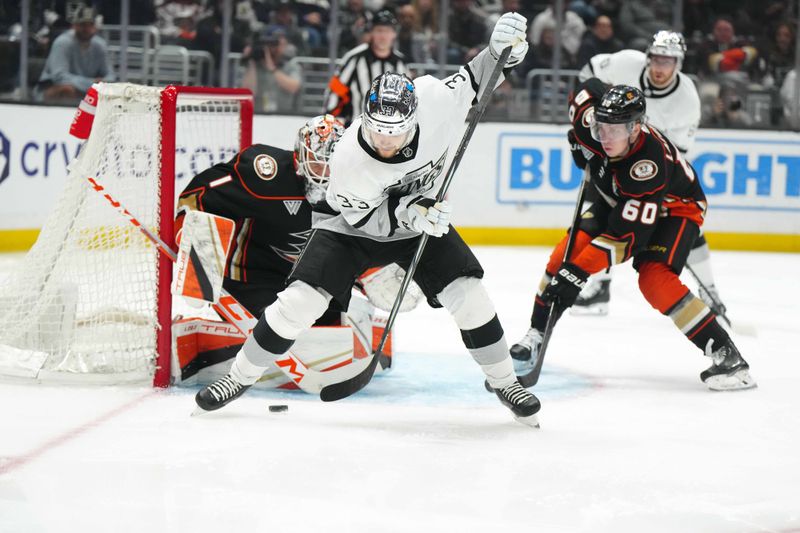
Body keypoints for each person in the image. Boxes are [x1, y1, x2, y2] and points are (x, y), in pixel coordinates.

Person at [195, 12, 543, 426]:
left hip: (422, 220)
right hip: (353, 227)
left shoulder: (434, 98)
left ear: (413, 118)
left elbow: (475, 77)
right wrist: (410, 211)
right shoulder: (349, 162)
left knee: (469, 295)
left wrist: (502, 52)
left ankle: (504, 382)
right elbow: (367, 223)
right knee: (298, 303)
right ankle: (239, 378)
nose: (385, 141)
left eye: (394, 133)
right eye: (377, 130)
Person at [511, 81, 756, 392]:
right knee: (563, 256)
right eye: (601, 126)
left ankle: (727, 356)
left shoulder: (647, 167)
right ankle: (535, 334)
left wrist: (577, 273)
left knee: (653, 278)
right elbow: (585, 89)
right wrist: (577, 139)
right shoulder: (594, 123)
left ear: (636, 128)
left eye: (615, 129)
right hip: (619, 197)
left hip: (674, 208)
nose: (605, 136)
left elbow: (625, 239)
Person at [174, 114, 418, 385]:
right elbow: (199, 193)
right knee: (283, 329)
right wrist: (187, 230)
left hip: (309, 279)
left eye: (332, 163)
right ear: (300, 154)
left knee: (328, 323)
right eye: (316, 160)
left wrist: (371, 271)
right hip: (252, 278)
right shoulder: (265, 175)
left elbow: (362, 239)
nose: (324, 171)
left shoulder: (359, 188)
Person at [540, 31, 725, 322]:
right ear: (648, 57)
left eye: (669, 61)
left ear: (679, 63)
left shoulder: (687, 99)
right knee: (604, 222)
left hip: (648, 171)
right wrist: (597, 112)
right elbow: (589, 73)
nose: (661, 67)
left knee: (685, 230)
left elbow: (676, 156)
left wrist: (654, 193)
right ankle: (599, 286)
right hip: (609, 154)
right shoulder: (626, 62)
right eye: (657, 58)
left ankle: (711, 294)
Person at [325, 9, 409, 125]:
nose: (383, 36)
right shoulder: (354, 58)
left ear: (394, 34)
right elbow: (335, 91)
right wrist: (331, 123)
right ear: (372, 33)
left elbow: (408, 98)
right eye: (379, 30)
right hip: (356, 129)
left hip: (391, 133)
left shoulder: (401, 63)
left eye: (387, 31)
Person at [35, 4, 115, 103]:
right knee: (67, 90)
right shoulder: (62, 42)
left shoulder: (100, 45)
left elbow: (111, 76)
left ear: (95, 27)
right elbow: (59, 77)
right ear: (74, 26)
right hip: (51, 88)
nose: (86, 29)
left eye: (90, 25)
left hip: (87, 91)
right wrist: (92, 83)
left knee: (109, 93)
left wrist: (100, 83)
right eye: (82, 25)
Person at [242, 24, 302, 113]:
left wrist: (272, 69)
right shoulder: (255, 67)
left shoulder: (291, 66)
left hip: (285, 117)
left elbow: (293, 87)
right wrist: (251, 60)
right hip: (259, 115)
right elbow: (248, 92)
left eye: (276, 44)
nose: (274, 48)